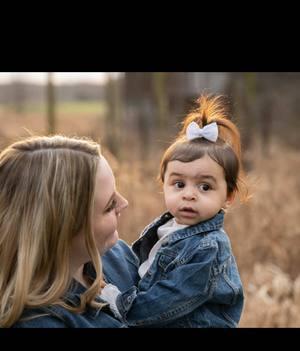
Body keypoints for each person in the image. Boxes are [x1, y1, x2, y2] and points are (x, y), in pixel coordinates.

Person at [101, 94, 248, 327]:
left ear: (228, 196)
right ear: (164, 186)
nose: (189, 194)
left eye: (205, 186)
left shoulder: (209, 247)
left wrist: (117, 301)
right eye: (179, 184)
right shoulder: (166, 227)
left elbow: (165, 301)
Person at [0, 134, 136, 328]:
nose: (124, 203)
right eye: (109, 205)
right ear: (63, 229)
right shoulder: (39, 322)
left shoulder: (117, 256)